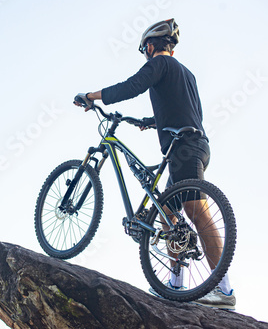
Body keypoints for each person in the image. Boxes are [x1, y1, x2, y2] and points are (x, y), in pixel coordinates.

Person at [73, 18, 235, 310]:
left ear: (149, 46)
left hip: (183, 148)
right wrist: (149, 122)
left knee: (196, 212)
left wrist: (92, 96)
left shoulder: (158, 65)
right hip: (195, 144)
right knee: (167, 211)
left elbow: (130, 87)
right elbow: (186, 110)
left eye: (144, 50)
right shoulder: (185, 73)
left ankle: (223, 289)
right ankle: (175, 283)